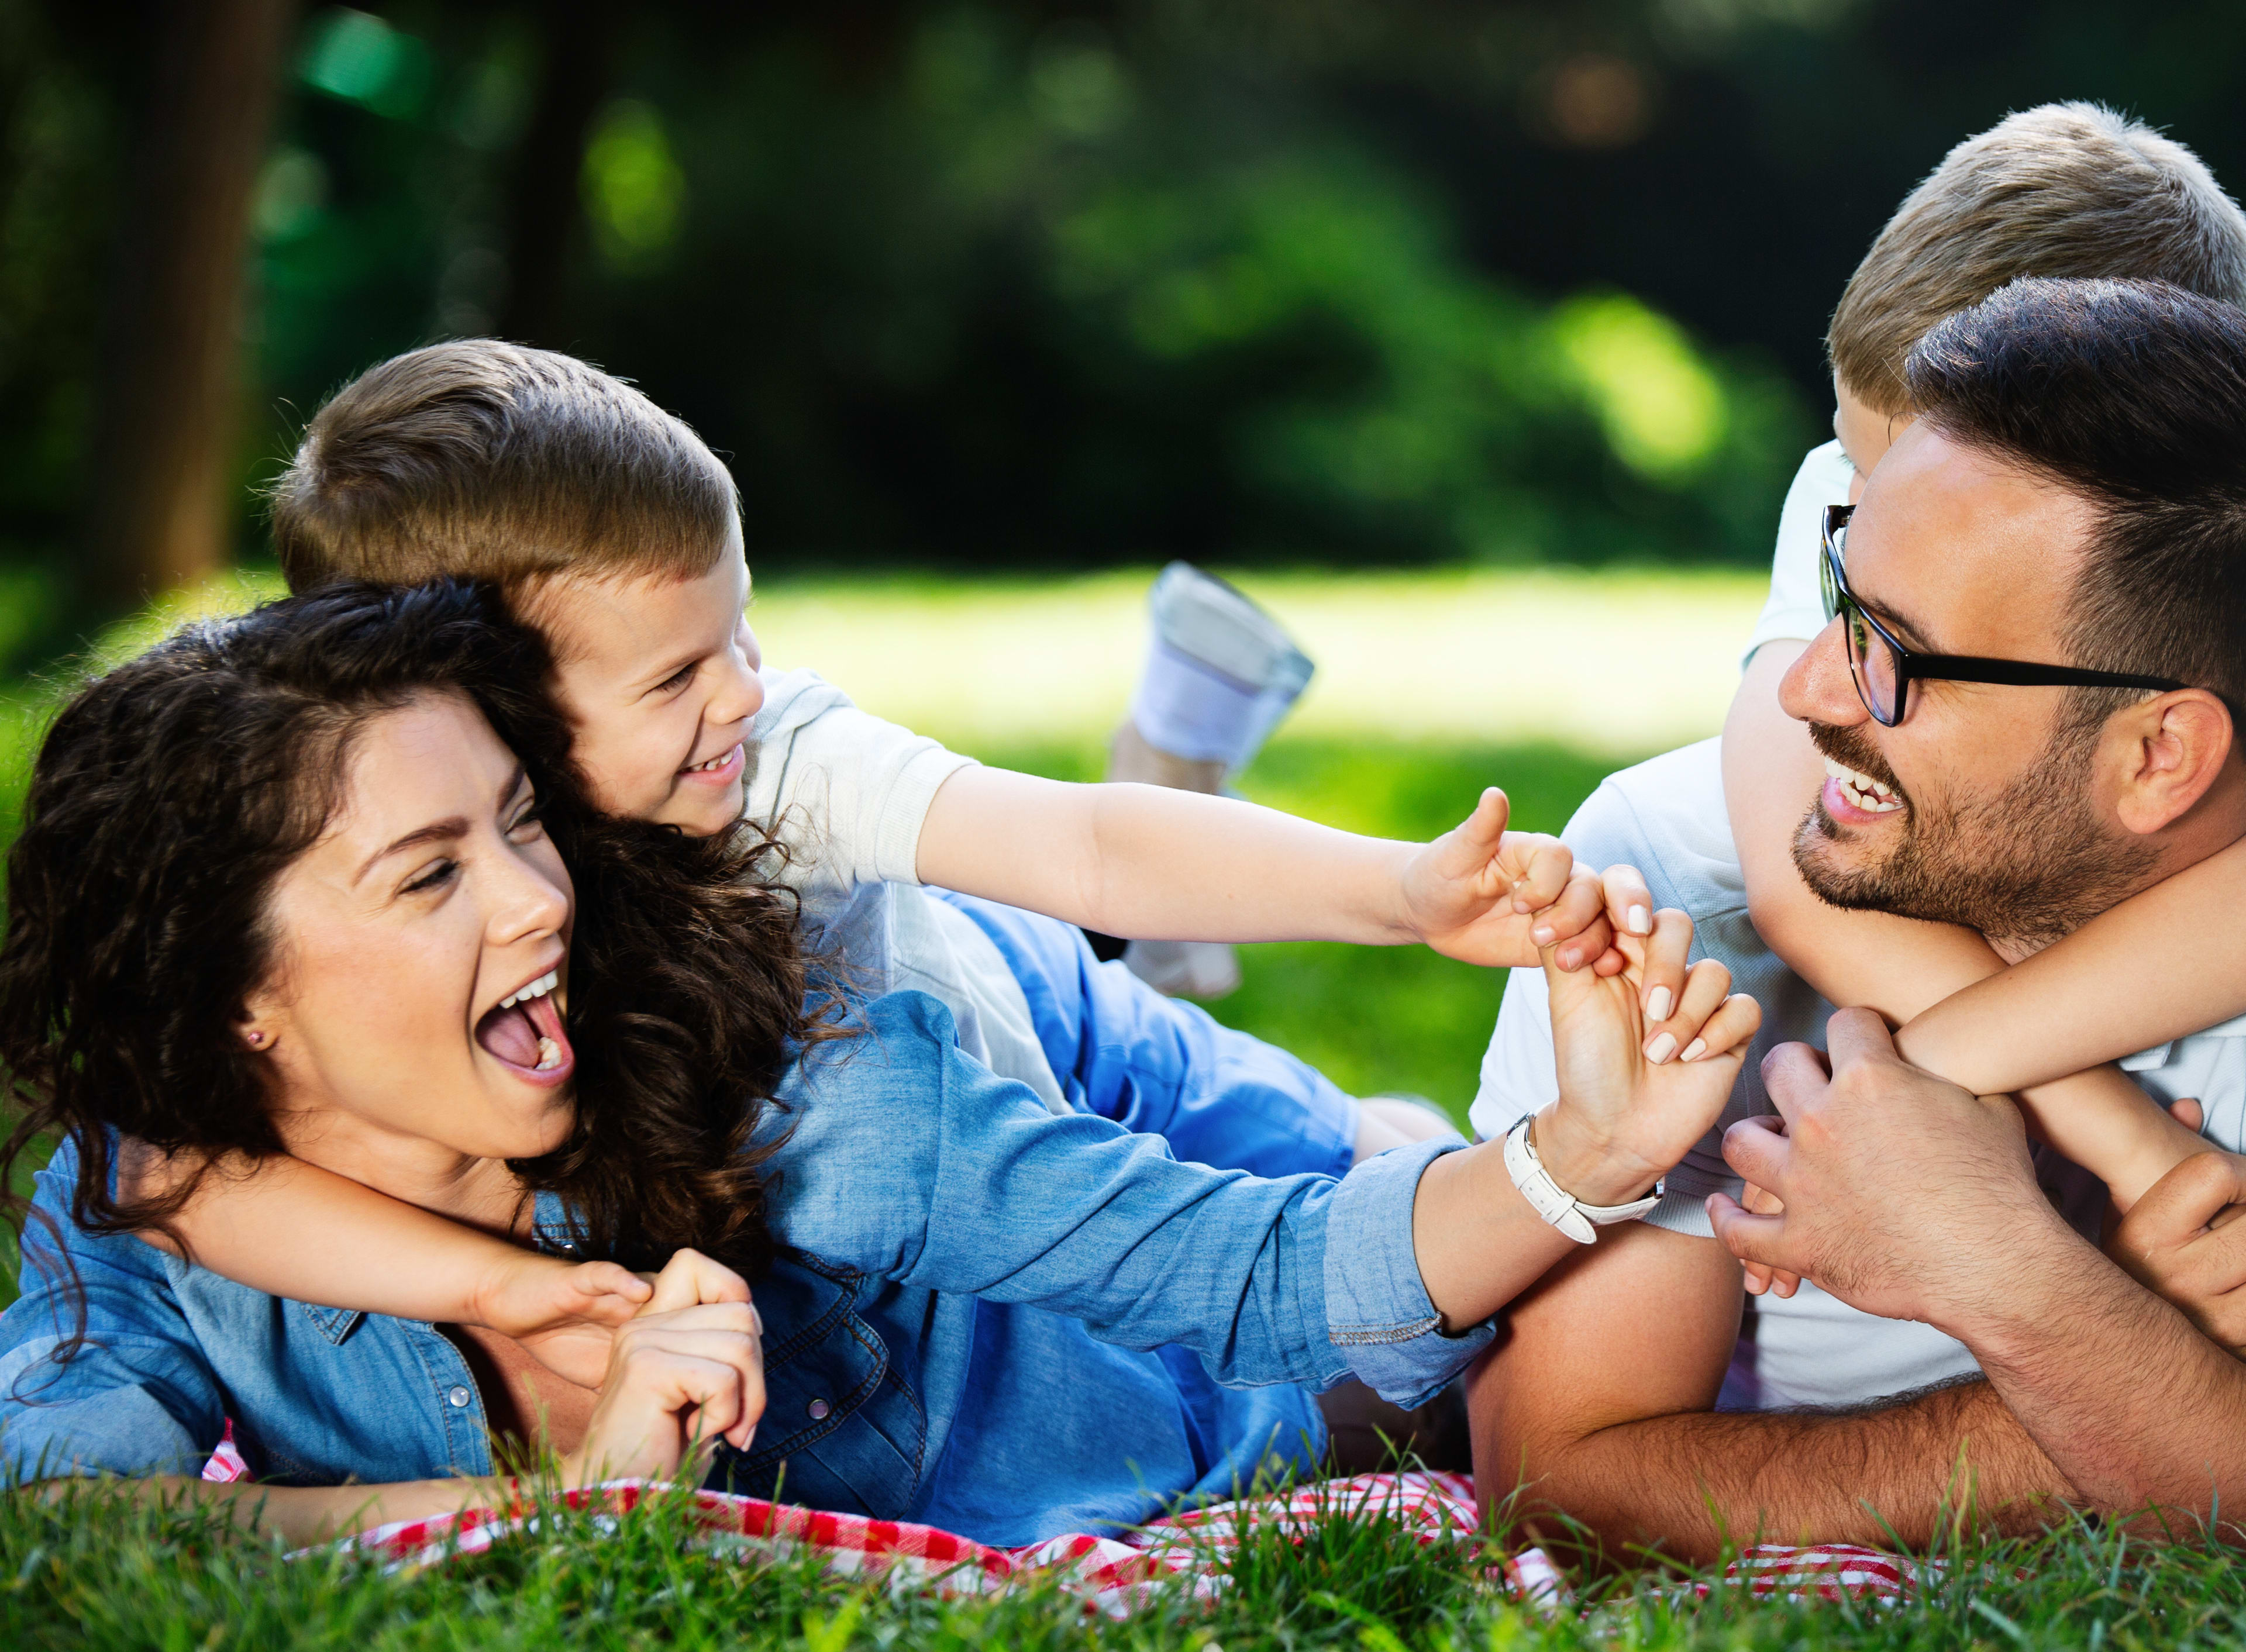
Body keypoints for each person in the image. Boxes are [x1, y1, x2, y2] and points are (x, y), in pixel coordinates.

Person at [0, 583, 1760, 1548]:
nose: (541, 894)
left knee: (1456, 1309)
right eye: (430, 871)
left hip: (1118, 1167)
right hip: (991, 1059)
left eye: (527, 823)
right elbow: (68, 1520)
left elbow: (1287, 1281)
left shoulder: (799, 1104)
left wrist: (1573, 1157)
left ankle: (1169, 904)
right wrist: (554, 1501)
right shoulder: (147, 1208)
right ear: (232, 999)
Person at [116, 341, 1687, 1422]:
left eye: (741, 632)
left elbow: (1074, 843)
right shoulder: (372, 874)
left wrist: (1407, 891)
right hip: (974, 1106)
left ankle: (1188, 833)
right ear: (481, 696)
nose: (745, 688)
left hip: (1039, 1015)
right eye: (675, 675)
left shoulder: (765, 752)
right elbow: (167, 1176)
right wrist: (506, 1294)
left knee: (1376, 1231)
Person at [1467, 278, 2246, 1563]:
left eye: (1896, 652)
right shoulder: (1679, 880)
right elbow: (1563, 1484)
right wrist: (2134, 1357)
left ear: (2161, 753)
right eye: (1835, 592)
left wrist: (2026, 1294)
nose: (1805, 685)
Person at [1722, 102, 2246, 1223]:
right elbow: (1792, 887)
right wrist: (2119, 1131)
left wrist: (1934, 1063)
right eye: (1860, 469)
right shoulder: (1852, 483)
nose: (1873, 508)